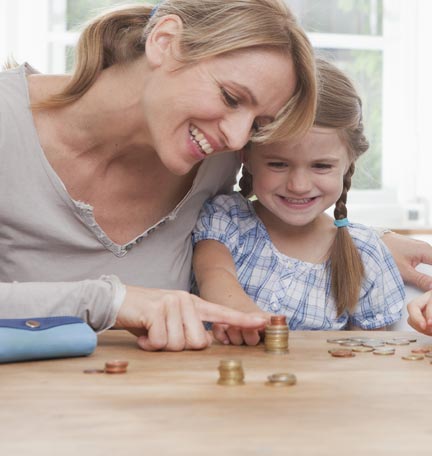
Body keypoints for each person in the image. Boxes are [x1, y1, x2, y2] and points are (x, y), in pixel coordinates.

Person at [0, 0, 319, 351]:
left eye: (258, 124)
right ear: (164, 41)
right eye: (231, 98)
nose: (238, 137)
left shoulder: (215, 161)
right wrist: (111, 302)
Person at [192, 59, 406, 345]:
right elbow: (215, 275)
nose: (298, 185)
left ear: (348, 162)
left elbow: (371, 356)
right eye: (278, 164)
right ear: (247, 156)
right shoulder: (226, 219)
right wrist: (242, 313)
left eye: (321, 166)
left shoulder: (365, 254)